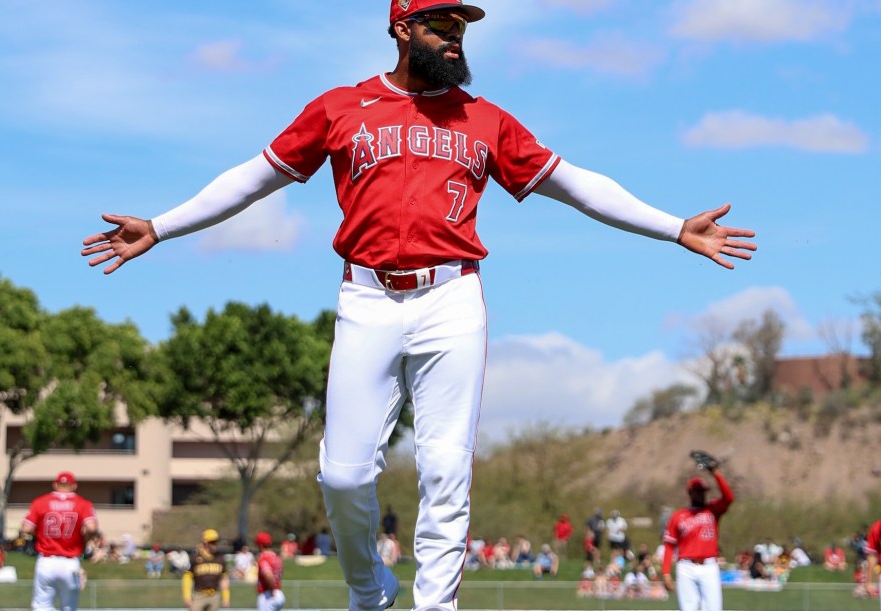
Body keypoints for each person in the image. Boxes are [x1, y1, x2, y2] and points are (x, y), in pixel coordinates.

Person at [80, 2, 757, 608]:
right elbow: (254, 178)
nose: (456, 38)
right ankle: (369, 587)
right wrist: (162, 226)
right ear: (402, 29)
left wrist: (673, 226)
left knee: (443, 469)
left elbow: (577, 184)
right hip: (366, 297)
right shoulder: (340, 107)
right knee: (341, 476)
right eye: (442, 25)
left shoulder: (484, 118)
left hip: (452, 298)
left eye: (462, 27)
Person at [21, 471, 99, 611]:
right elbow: (92, 527)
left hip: (46, 561)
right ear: (74, 486)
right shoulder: (83, 503)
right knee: (69, 607)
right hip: (70, 562)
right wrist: (85, 538)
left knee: (42, 606)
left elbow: (26, 528)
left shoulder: (40, 502)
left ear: (55, 484)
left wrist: (39, 532)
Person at [661, 462, 734, 611]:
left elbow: (729, 498)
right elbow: (669, 546)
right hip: (686, 567)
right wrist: (666, 572)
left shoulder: (713, 509)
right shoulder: (678, 516)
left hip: (709, 566)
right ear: (690, 493)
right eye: (697, 491)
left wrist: (716, 473)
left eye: (703, 491)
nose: (701, 494)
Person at [182, 529, 230, 611]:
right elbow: (187, 577)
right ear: (205, 543)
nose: (215, 545)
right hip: (199, 595)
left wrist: (226, 597)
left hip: (214, 595)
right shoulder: (196, 557)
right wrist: (187, 596)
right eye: (212, 542)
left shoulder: (220, 558)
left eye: (216, 542)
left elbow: (224, 579)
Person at [254, 532, 285, 611]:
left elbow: (268, 574)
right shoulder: (276, 557)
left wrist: (272, 590)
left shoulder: (263, 558)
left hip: (269, 594)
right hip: (279, 593)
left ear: (260, 545)